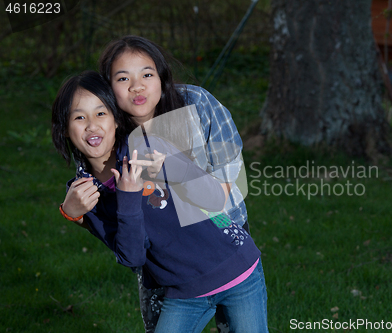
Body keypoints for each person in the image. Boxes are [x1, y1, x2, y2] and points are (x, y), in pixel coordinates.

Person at [61, 35, 253, 333]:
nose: (137, 86)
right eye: (123, 78)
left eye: (147, 75)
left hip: (224, 247)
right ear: (109, 89)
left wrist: (221, 239)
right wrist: (71, 212)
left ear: (162, 78)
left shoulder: (196, 104)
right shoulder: (106, 132)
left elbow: (233, 182)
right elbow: (97, 208)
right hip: (163, 266)